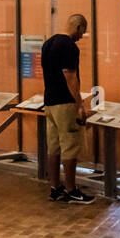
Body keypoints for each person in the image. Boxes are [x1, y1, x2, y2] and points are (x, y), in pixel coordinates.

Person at [42, 14, 96, 204]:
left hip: (49, 102)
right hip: (65, 104)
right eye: (83, 31)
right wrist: (79, 104)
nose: (82, 36)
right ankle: (72, 190)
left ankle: (55, 188)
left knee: (54, 146)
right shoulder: (69, 46)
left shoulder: (48, 43)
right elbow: (70, 76)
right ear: (79, 26)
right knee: (70, 146)